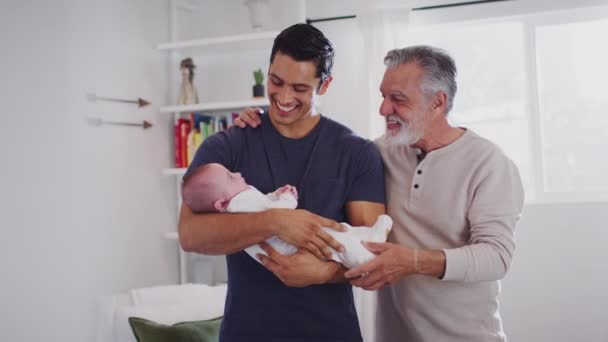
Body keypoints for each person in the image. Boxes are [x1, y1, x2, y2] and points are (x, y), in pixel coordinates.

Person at [235, 45, 525, 342]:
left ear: (438, 102)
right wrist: (261, 125)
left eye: (397, 99)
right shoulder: (379, 153)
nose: (383, 109)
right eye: (383, 96)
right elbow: (315, 153)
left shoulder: (488, 164)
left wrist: (412, 261)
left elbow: (497, 256)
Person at [178, 23, 386, 342]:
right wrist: (276, 221)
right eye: (276, 82)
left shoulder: (357, 152)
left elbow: (375, 254)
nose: (284, 97)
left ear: (325, 85)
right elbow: (190, 235)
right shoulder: (228, 145)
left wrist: (323, 272)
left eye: (300, 88)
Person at [182, 162, 393, 269]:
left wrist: (276, 195)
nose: (237, 174)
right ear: (221, 203)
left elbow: (264, 206)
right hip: (290, 246)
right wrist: (288, 199)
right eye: (230, 176)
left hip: (289, 243)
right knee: (336, 243)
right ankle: (366, 259)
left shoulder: (236, 203)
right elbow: (281, 217)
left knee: (338, 232)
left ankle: (366, 236)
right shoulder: (239, 202)